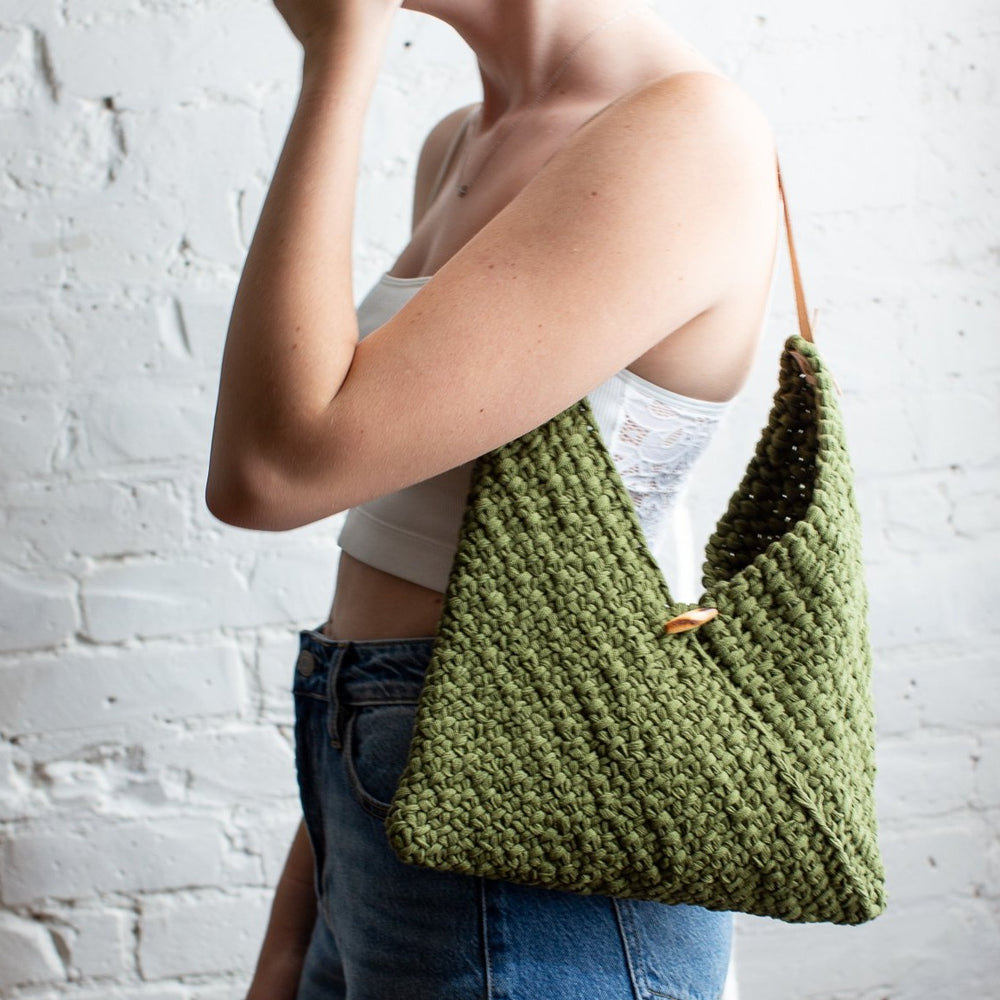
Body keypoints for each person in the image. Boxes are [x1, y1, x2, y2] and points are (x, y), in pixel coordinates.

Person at [207, 0, 779, 996]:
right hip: (379, 788)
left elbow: (273, 469)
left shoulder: (685, 132)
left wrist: (338, 59)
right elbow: (427, 575)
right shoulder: (462, 141)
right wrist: (297, 927)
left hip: (540, 833)